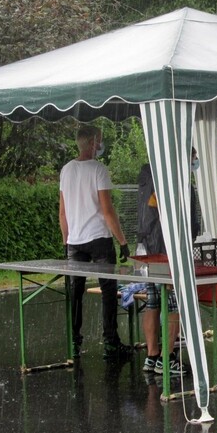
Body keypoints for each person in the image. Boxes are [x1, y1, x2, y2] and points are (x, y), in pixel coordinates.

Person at [59, 125, 132, 360]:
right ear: (92, 143)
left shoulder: (66, 170)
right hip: (99, 238)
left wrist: (65, 241)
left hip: (75, 241)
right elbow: (107, 210)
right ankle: (111, 342)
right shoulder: (99, 170)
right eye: (99, 140)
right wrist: (122, 241)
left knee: (75, 291)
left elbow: (62, 212)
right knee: (108, 290)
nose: (101, 145)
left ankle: (73, 342)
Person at [137, 147, 201, 376]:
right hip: (169, 249)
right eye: (194, 158)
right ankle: (167, 357)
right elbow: (190, 222)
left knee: (153, 301)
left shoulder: (148, 173)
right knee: (174, 304)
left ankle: (152, 356)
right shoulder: (179, 179)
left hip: (147, 246)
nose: (196, 162)